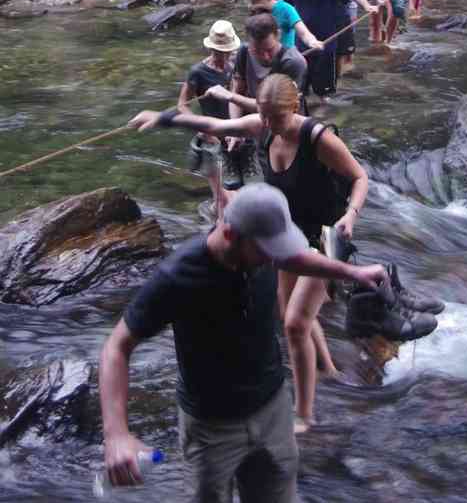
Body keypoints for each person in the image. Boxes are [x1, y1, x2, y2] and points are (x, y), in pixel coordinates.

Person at [99, 178, 386, 501]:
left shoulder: (259, 249)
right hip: (211, 429)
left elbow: (290, 258)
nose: (274, 256)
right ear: (231, 234)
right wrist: (116, 434)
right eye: (267, 248)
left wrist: (352, 273)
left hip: (273, 409)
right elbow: (116, 347)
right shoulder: (178, 277)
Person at [284, 0, 377, 98]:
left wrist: (367, 5)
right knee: (300, 87)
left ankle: (325, 110)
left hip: (326, 40)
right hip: (301, 41)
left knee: (325, 90)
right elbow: (287, 9)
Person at [177, 20, 247, 198]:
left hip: (234, 132)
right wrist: (203, 130)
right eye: (218, 52)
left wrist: (240, 128)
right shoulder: (197, 72)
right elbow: (182, 105)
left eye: (226, 52)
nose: (222, 56)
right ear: (211, 49)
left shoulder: (234, 66)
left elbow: (237, 98)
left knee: (243, 185)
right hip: (212, 134)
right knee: (222, 191)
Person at [230, 13, 308, 116]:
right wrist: (234, 125)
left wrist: (229, 96)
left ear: (278, 35)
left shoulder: (293, 62)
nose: (265, 56)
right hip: (254, 116)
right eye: (257, 51)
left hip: (285, 120)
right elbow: (238, 91)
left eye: (269, 50)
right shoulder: (244, 52)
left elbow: (275, 107)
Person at [245, 0, 322, 51]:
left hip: (285, 56)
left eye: (257, 2)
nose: (253, 5)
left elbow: (303, 32)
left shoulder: (285, 9)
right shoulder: (255, 11)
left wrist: (311, 41)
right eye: (252, 2)